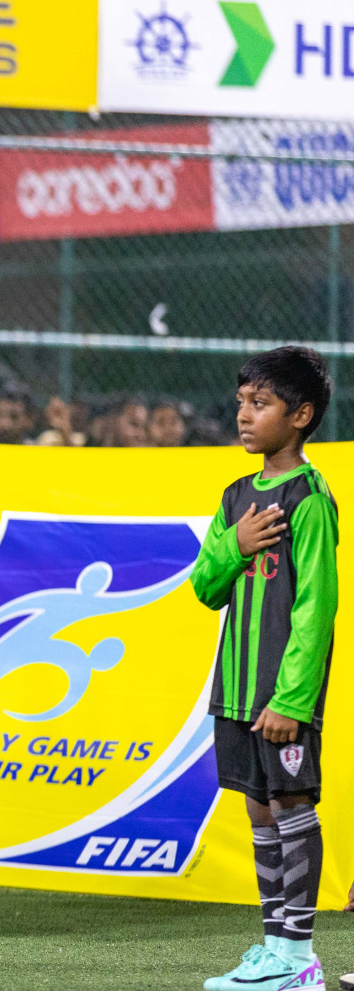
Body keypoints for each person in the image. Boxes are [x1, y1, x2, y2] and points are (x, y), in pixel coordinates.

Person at [189, 346, 337, 991]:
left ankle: (299, 954)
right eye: (243, 402)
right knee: (258, 811)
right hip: (237, 690)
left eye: (262, 404)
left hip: (282, 694)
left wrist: (294, 699)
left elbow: (316, 609)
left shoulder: (310, 496)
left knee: (292, 806)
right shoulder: (235, 497)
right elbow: (204, 587)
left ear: (300, 415)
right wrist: (234, 544)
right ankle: (274, 946)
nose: (244, 415)